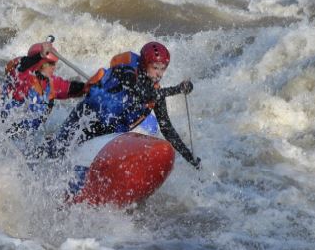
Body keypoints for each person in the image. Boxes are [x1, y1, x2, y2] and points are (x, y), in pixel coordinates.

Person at [47, 41, 201, 169]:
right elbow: (141, 93)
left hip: (109, 134)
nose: (159, 74)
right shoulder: (125, 71)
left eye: (162, 68)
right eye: (155, 68)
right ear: (144, 64)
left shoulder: (156, 93)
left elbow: (167, 129)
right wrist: (177, 89)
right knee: (54, 153)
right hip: (85, 120)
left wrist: (190, 157)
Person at [0, 40, 87, 141]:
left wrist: (89, 86)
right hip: (7, 134)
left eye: (54, 63)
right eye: (50, 63)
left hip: (28, 137)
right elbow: (23, 65)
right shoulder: (21, 77)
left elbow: (69, 88)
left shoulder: (50, 83)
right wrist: (40, 55)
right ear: (40, 63)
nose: (54, 67)